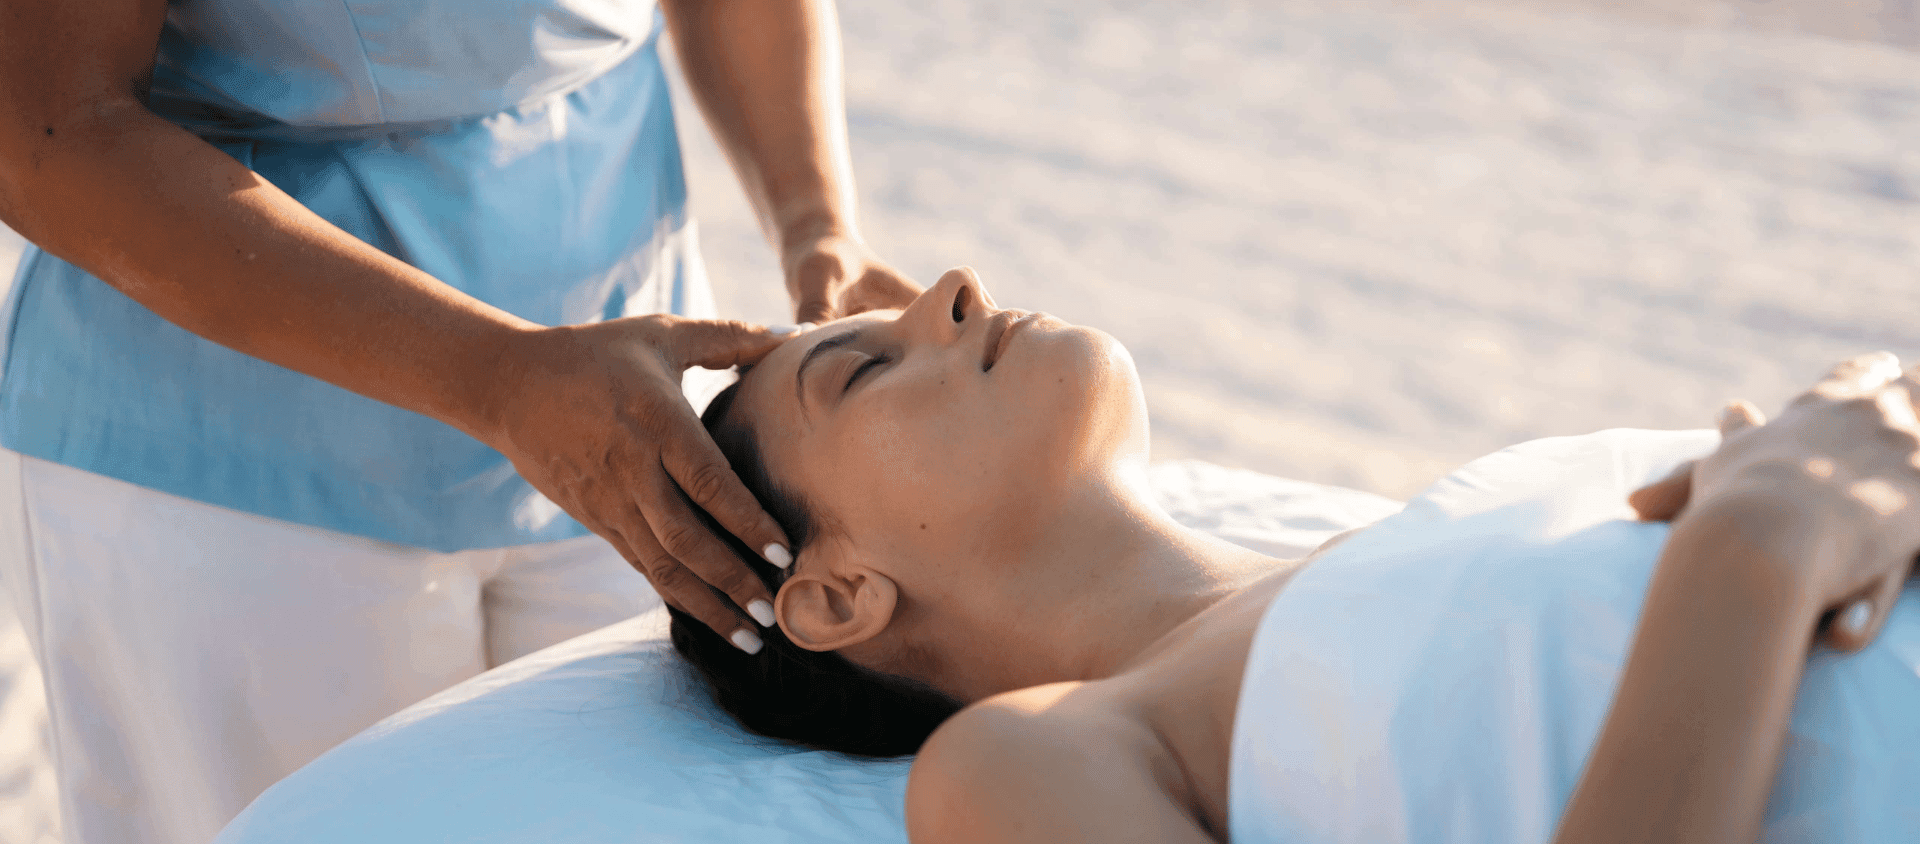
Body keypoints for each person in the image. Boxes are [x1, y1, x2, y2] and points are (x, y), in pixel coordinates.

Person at [0, 1, 918, 841]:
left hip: (637, 399)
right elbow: (43, 131)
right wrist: (499, 377)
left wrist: (815, 218)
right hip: (233, 463)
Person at [669, 267, 1919, 843]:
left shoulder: (1375, 545)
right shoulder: (1028, 763)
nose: (947, 289)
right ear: (833, 595)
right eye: (865, 365)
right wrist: (1753, 553)